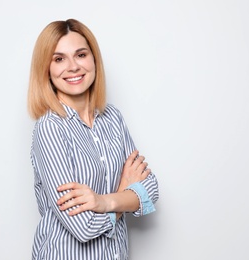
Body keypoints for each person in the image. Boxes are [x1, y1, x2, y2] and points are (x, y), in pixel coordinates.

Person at [27, 18, 159, 260]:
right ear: (46, 69)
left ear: (94, 60)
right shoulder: (50, 128)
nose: (73, 66)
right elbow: (83, 227)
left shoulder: (113, 118)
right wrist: (124, 195)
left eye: (81, 54)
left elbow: (149, 191)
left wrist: (104, 201)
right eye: (58, 59)